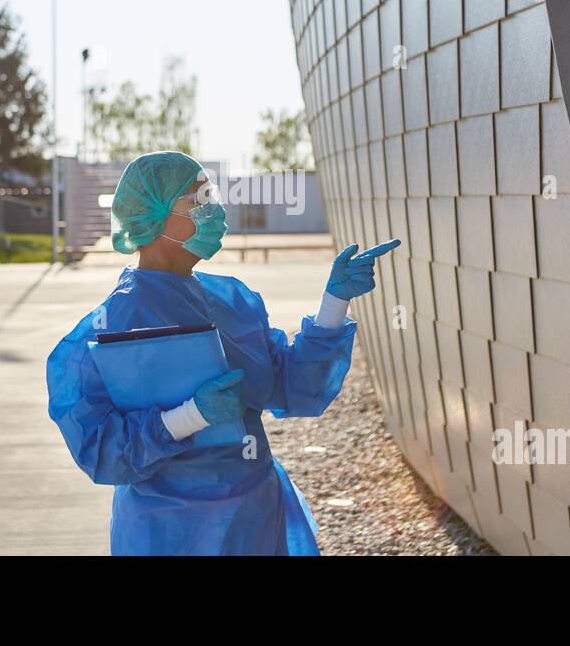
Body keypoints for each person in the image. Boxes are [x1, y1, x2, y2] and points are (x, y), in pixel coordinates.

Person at [46, 151, 400, 555]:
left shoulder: (232, 302)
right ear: (155, 217)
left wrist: (334, 304)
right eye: (198, 202)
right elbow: (101, 452)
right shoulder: (115, 322)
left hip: (255, 519)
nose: (213, 211)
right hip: (167, 532)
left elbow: (294, 388)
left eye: (211, 197)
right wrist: (189, 416)